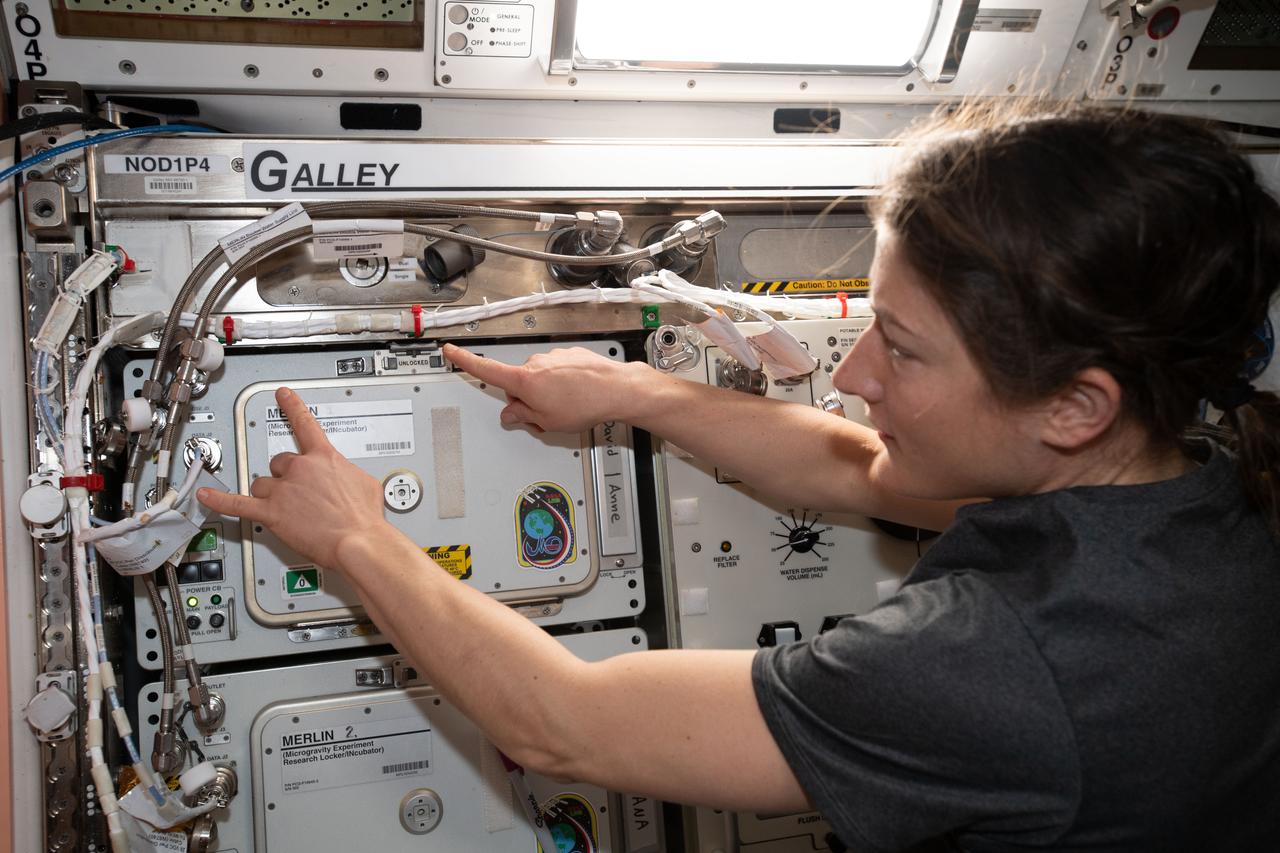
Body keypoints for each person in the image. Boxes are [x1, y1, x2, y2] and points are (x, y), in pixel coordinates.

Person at [198, 102, 1280, 851]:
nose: (850, 375)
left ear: (1076, 406)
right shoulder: (1199, 481)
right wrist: (636, 391)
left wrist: (356, 537)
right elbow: (861, 469)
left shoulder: (999, 662)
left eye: (902, 350)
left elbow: (561, 723)